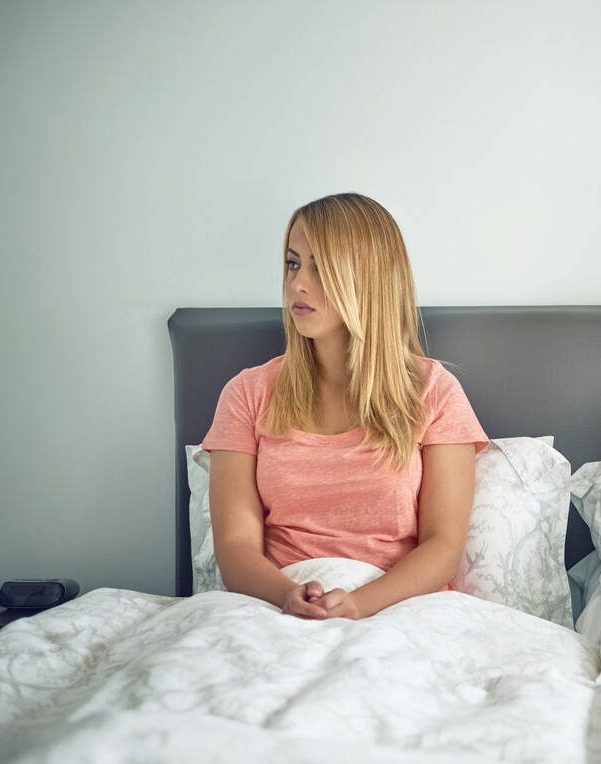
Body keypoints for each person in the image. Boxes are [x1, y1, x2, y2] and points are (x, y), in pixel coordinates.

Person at [203, 193, 488, 620]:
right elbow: (236, 548)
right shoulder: (247, 393)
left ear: (368, 278)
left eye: (321, 268)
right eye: (293, 263)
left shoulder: (434, 392)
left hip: (396, 608)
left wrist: (358, 604)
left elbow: (442, 546)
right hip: (274, 606)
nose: (297, 283)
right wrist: (288, 598)